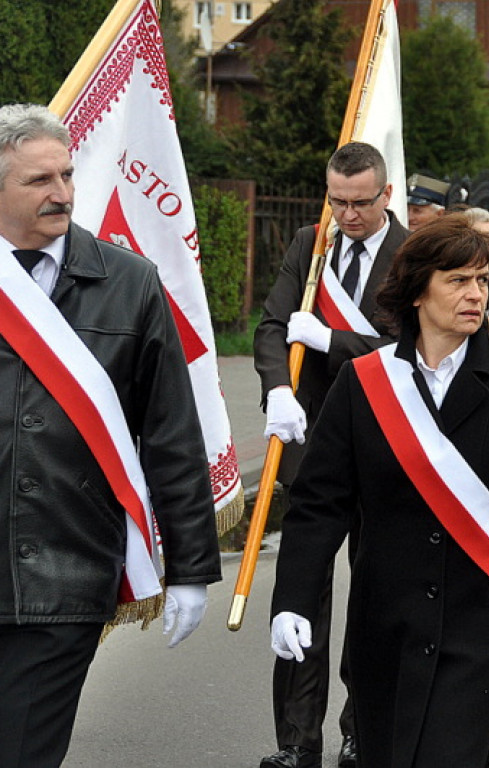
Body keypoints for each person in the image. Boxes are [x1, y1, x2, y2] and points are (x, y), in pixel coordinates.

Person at [269, 214, 489, 768]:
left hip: (485, 627)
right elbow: (319, 505)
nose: (476, 295)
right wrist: (293, 600)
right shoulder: (365, 382)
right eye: (459, 281)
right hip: (386, 627)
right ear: (419, 290)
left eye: (483, 281)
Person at [0, 103, 221, 767]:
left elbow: (172, 437)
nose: (61, 192)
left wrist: (189, 570)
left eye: (66, 175)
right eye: (39, 180)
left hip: (65, 573)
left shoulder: (129, 284)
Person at [254, 141, 409, 768]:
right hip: (311, 444)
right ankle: (296, 742)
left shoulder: (411, 255)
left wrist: (333, 340)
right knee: (300, 596)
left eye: (359, 204)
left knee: (375, 593)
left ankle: (359, 729)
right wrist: (276, 388)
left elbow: (410, 347)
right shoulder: (308, 243)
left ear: (386, 197)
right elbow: (271, 325)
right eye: (337, 201)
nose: (346, 215)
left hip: (383, 446)